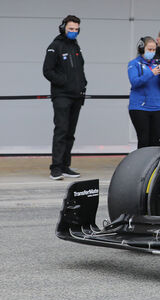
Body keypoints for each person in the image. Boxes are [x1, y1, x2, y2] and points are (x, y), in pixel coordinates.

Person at [43, 15, 87, 180]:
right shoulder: (55, 46)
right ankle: (55, 168)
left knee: (70, 133)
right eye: (71, 29)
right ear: (63, 28)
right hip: (62, 96)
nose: (74, 32)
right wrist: (64, 82)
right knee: (61, 131)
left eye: (76, 29)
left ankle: (65, 166)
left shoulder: (76, 47)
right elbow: (47, 71)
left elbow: (80, 69)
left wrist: (82, 84)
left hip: (77, 96)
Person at [128, 36, 160, 149]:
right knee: (144, 139)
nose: (152, 52)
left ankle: (154, 166)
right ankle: (142, 165)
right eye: (149, 50)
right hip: (139, 107)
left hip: (156, 107)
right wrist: (152, 73)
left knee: (156, 141)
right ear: (142, 49)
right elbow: (135, 82)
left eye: (154, 50)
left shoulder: (157, 64)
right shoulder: (134, 64)